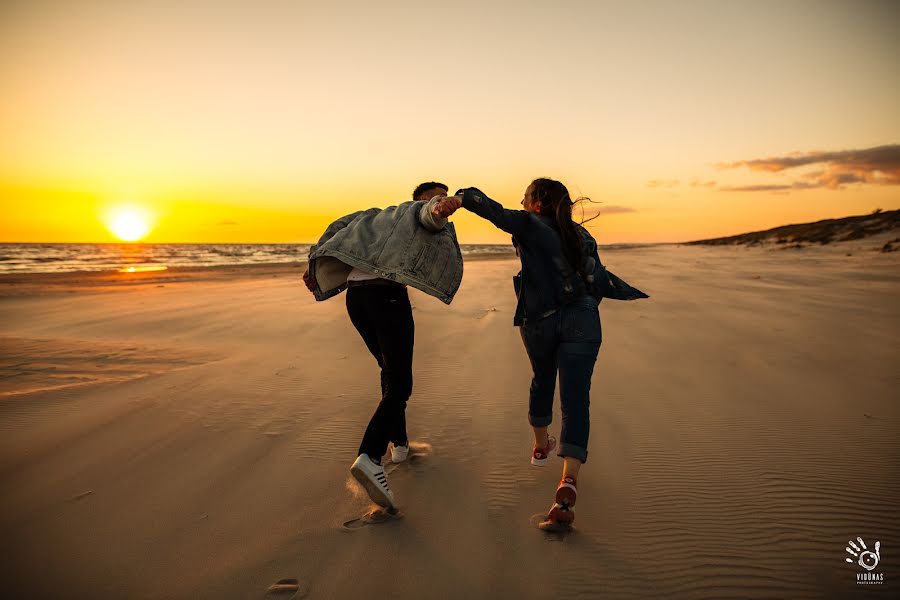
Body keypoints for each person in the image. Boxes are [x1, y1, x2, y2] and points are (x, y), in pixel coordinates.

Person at [437, 179, 647, 528]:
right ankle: (567, 483)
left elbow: (491, 209)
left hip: (540, 321)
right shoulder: (581, 235)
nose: (521, 201)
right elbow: (596, 278)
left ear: (536, 202)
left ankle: (540, 447)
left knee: (542, 380)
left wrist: (460, 197)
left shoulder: (528, 222)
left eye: (525, 196)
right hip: (583, 320)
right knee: (576, 399)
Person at [302, 182, 463, 510]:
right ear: (420, 199)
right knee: (401, 382)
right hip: (386, 297)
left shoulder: (378, 217)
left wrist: (314, 266)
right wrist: (440, 208)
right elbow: (428, 215)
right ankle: (370, 456)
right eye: (436, 196)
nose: (441, 201)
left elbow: (339, 228)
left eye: (443, 196)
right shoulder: (417, 212)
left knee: (389, 371)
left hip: (356, 298)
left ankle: (399, 445)